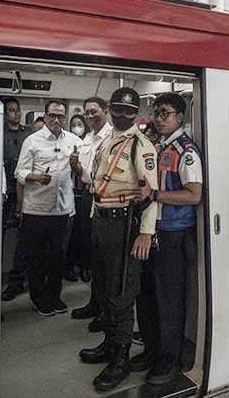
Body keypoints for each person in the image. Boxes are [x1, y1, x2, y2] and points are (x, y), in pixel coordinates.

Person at [78, 88, 158, 392]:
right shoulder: (108, 140)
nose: (122, 115)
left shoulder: (142, 146)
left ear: (136, 114)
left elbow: (150, 195)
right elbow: (97, 182)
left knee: (121, 292)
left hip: (125, 226)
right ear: (111, 110)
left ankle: (121, 358)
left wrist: (146, 233)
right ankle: (110, 345)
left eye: (128, 111)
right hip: (101, 221)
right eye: (117, 110)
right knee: (102, 288)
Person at [133, 92, 203, 385]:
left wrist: (157, 195)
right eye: (156, 113)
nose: (158, 119)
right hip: (150, 231)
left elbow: (194, 194)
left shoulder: (186, 150)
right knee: (146, 295)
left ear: (180, 118)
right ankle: (151, 349)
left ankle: (168, 359)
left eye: (165, 113)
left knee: (169, 300)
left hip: (173, 235)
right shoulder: (155, 146)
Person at [15, 100, 83, 316]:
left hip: (63, 210)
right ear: (45, 116)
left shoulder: (74, 140)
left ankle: (55, 296)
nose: (56, 120)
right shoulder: (32, 141)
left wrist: (77, 167)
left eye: (60, 116)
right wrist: (35, 176)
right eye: (52, 115)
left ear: (65, 118)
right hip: (36, 209)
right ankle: (39, 298)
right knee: (36, 257)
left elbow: (81, 173)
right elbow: (19, 172)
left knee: (58, 257)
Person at [71, 97, 114, 331]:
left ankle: (106, 312)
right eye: (86, 112)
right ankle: (94, 304)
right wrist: (77, 169)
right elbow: (86, 174)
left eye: (94, 111)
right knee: (93, 257)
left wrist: (82, 172)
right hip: (87, 196)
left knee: (104, 262)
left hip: (103, 199)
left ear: (105, 111)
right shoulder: (87, 137)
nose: (89, 116)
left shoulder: (110, 137)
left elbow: (101, 175)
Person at [0, 97, 32, 302]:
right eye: (11, 110)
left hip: (26, 190)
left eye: (17, 110)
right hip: (3, 191)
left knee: (24, 239)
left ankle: (17, 281)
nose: (15, 113)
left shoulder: (29, 134)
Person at [65, 114, 91, 282]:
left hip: (86, 193)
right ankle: (69, 267)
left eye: (79, 124)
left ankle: (85, 266)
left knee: (85, 233)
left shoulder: (89, 144)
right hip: (70, 193)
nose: (77, 127)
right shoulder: (67, 143)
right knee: (71, 235)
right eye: (73, 124)